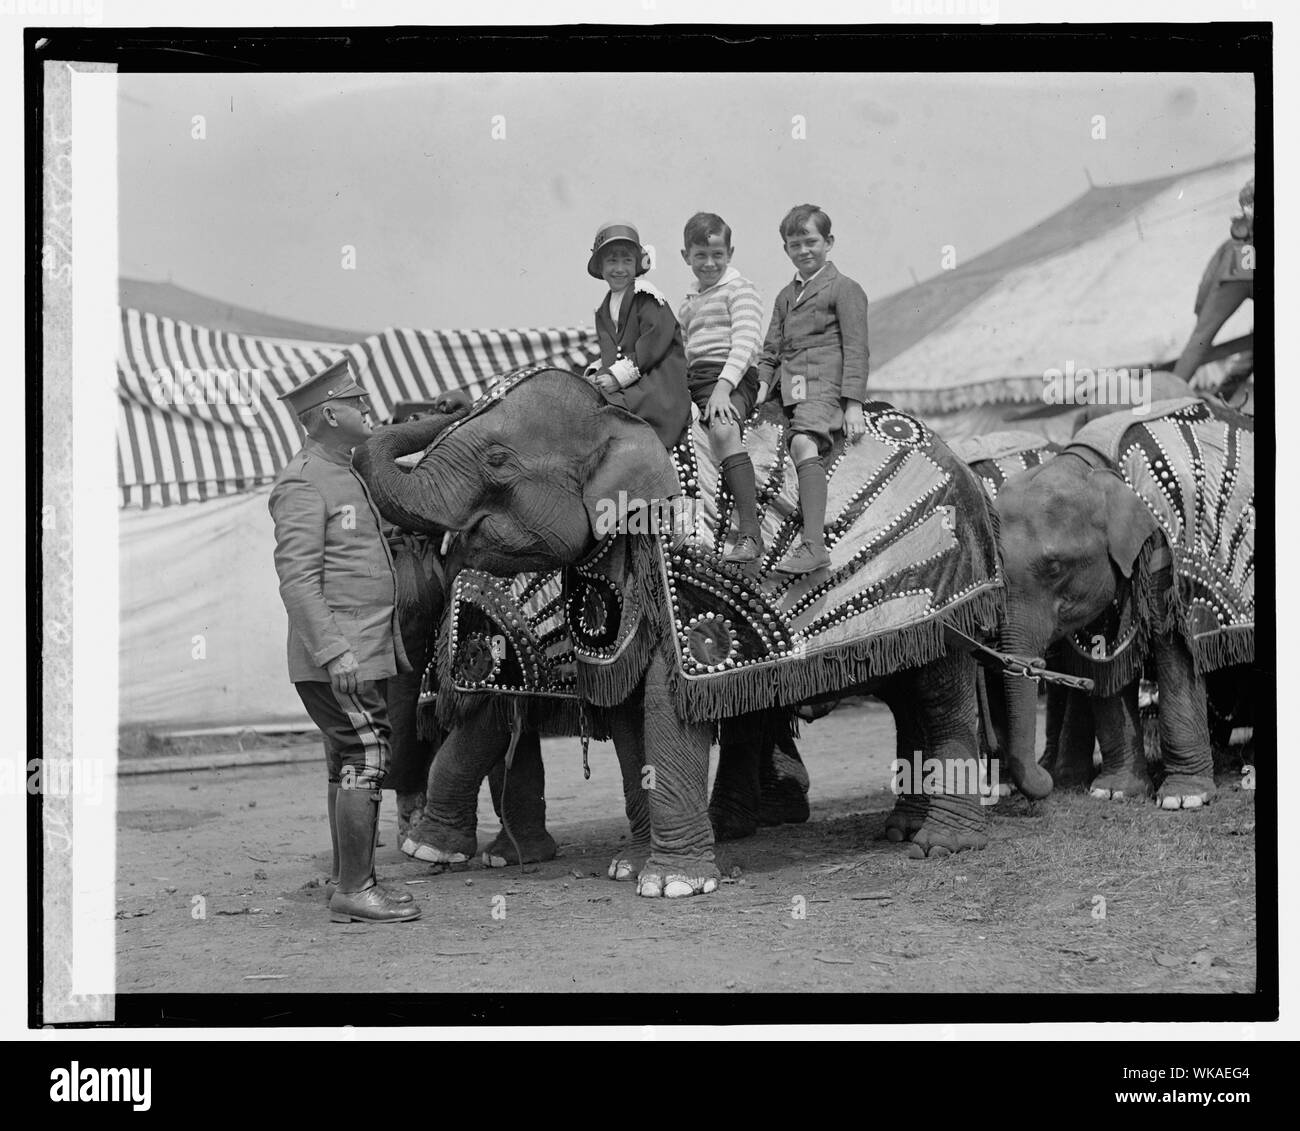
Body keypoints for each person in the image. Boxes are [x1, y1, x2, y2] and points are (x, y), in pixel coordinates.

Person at [268, 357, 420, 924]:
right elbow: (298, 581)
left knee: (346, 761)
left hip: (357, 650)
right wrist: (336, 652)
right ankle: (355, 890)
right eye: (356, 402)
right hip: (342, 654)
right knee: (366, 755)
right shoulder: (305, 481)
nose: (367, 408)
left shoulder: (342, 468)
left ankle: (349, 878)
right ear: (330, 413)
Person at [755, 203, 870, 574]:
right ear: (785, 249)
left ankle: (814, 545)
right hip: (786, 389)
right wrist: (759, 387)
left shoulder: (845, 289)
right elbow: (770, 350)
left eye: (811, 241)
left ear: (829, 242)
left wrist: (853, 404)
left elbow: (856, 348)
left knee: (803, 443)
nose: (803, 251)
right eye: (794, 244)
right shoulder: (785, 297)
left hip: (823, 386)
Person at [677, 211, 767, 564]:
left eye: (717, 254)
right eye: (700, 255)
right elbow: (685, 352)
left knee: (724, 430)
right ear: (686, 257)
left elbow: (745, 344)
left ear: (730, 253)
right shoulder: (688, 302)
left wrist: (723, 390)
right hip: (696, 380)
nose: (709, 263)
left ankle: (750, 532)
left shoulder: (740, 290)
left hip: (732, 375)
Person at [583, 220, 692, 450]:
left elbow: (654, 343)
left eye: (627, 260)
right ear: (601, 267)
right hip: (633, 377)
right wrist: (602, 373)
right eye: (612, 261)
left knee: (615, 411)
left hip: (656, 377)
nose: (620, 268)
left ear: (636, 264)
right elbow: (610, 351)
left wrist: (617, 376)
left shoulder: (646, 295)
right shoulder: (604, 308)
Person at [1173, 176, 1254, 403]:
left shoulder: (1233, 242)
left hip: (1234, 273)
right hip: (1239, 271)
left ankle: (1171, 396)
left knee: (1200, 338)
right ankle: (1219, 395)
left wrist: (1201, 314)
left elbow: (1207, 282)